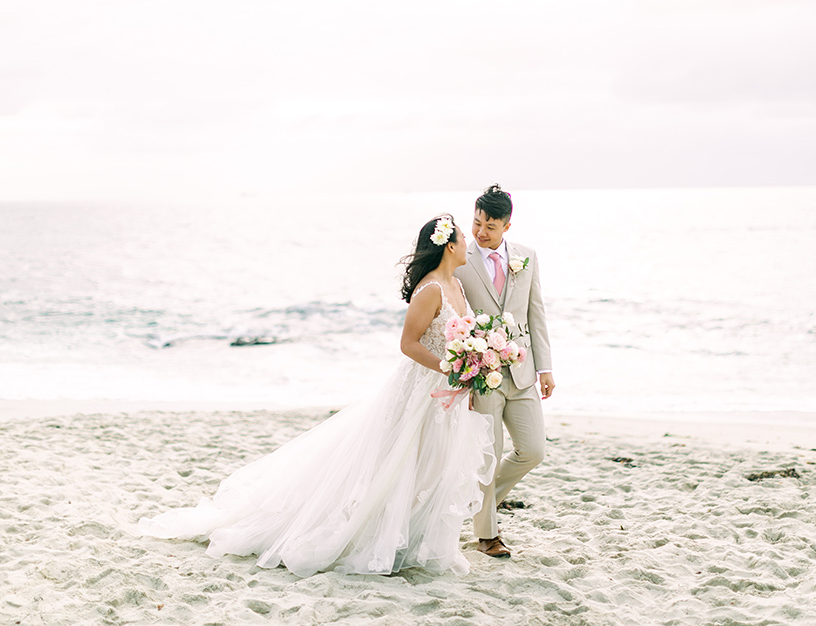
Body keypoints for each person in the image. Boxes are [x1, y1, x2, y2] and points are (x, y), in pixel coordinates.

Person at [139, 215, 495, 577]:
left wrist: (469, 366)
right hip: (420, 390)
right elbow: (408, 344)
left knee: (435, 467)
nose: (469, 241)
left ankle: (415, 538)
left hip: (446, 395)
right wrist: (447, 368)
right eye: (464, 236)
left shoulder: (457, 287)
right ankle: (377, 537)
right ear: (449, 245)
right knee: (398, 465)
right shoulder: (431, 288)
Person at [454, 185, 555, 558]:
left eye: (491, 226)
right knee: (489, 454)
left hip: (523, 370)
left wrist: (545, 367)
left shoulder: (526, 258)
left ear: (507, 226)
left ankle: (479, 503)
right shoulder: (460, 260)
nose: (482, 232)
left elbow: (536, 314)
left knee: (533, 450)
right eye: (477, 223)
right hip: (482, 373)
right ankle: (487, 535)